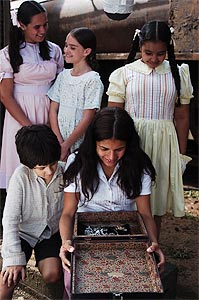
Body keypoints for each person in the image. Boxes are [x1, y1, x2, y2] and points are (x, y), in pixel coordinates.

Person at [59, 107, 165, 299]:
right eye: (104, 149)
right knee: (79, 286)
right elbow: (67, 213)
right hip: (85, 236)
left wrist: (154, 243)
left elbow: (145, 214)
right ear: (94, 144)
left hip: (128, 235)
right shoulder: (77, 162)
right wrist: (66, 242)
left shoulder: (139, 166)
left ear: (129, 145)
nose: (111, 157)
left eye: (119, 150)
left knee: (139, 285)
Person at [106, 20, 193, 238]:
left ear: (168, 49)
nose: (154, 59)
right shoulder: (125, 73)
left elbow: (181, 116)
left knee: (157, 196)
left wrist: (181, 154)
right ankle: (128, 243)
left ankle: (152, 245)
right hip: (133, 141)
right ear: (139, 46)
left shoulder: (178, 73)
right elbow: (114, 114)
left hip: (164, 142)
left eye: (160, 54)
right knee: (128, 191)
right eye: (148, 53)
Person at [0, 0, 64, 189]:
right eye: (36, 27)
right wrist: (30, 128)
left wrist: (53, 119)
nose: (42, 31)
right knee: (24, 160)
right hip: (20, 114)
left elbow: (60, 86)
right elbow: (5, 96)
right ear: (21, 25)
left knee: (50, 161)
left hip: (50, 111)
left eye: (45, 25)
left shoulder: (55, 50)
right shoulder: (8, 54)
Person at [0, 124, 65, 300]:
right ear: (28, 165)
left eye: (53, 164)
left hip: (52, 233)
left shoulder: (65, 171)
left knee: (53, 273)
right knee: (7, 279)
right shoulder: (20, 176)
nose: (49, 171)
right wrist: (13, 258)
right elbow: (10, 219)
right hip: (24, 233)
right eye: (42, 167)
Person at [48, 27, 104, 162]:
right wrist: (59, 142)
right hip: (59, 139)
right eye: (66, 46)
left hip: (80, 142)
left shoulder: (92, 80)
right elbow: (53, 110)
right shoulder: (63, 76)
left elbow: (87, 117)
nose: (66, 50)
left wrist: (67, 144)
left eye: (72, 48)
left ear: (86, 51)